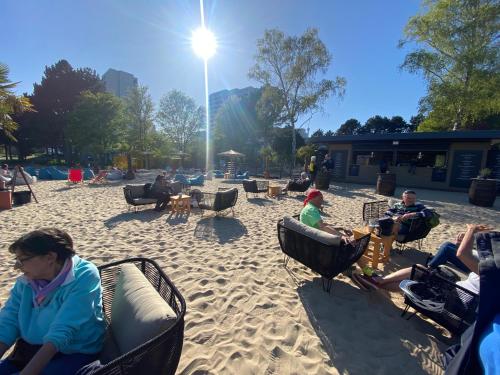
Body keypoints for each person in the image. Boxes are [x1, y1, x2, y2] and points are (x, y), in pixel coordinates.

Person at [0, 228, 106, 375]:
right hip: (29, 349)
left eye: (22, 259)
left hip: (72, 352)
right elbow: (8, 321)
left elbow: (61, 333)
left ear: (50, 257)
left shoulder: (84, 276)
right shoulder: (27, 280)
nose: (16, 267)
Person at [352, 224, 490, 292]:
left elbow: (462, 255)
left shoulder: (492, 271)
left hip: (456, 295)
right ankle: (378, 282)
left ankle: (378, 282)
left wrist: (471, 230)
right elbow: (465, 253)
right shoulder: (490, 267)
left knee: (418, 274)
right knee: (419, 272)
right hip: (460, 289)